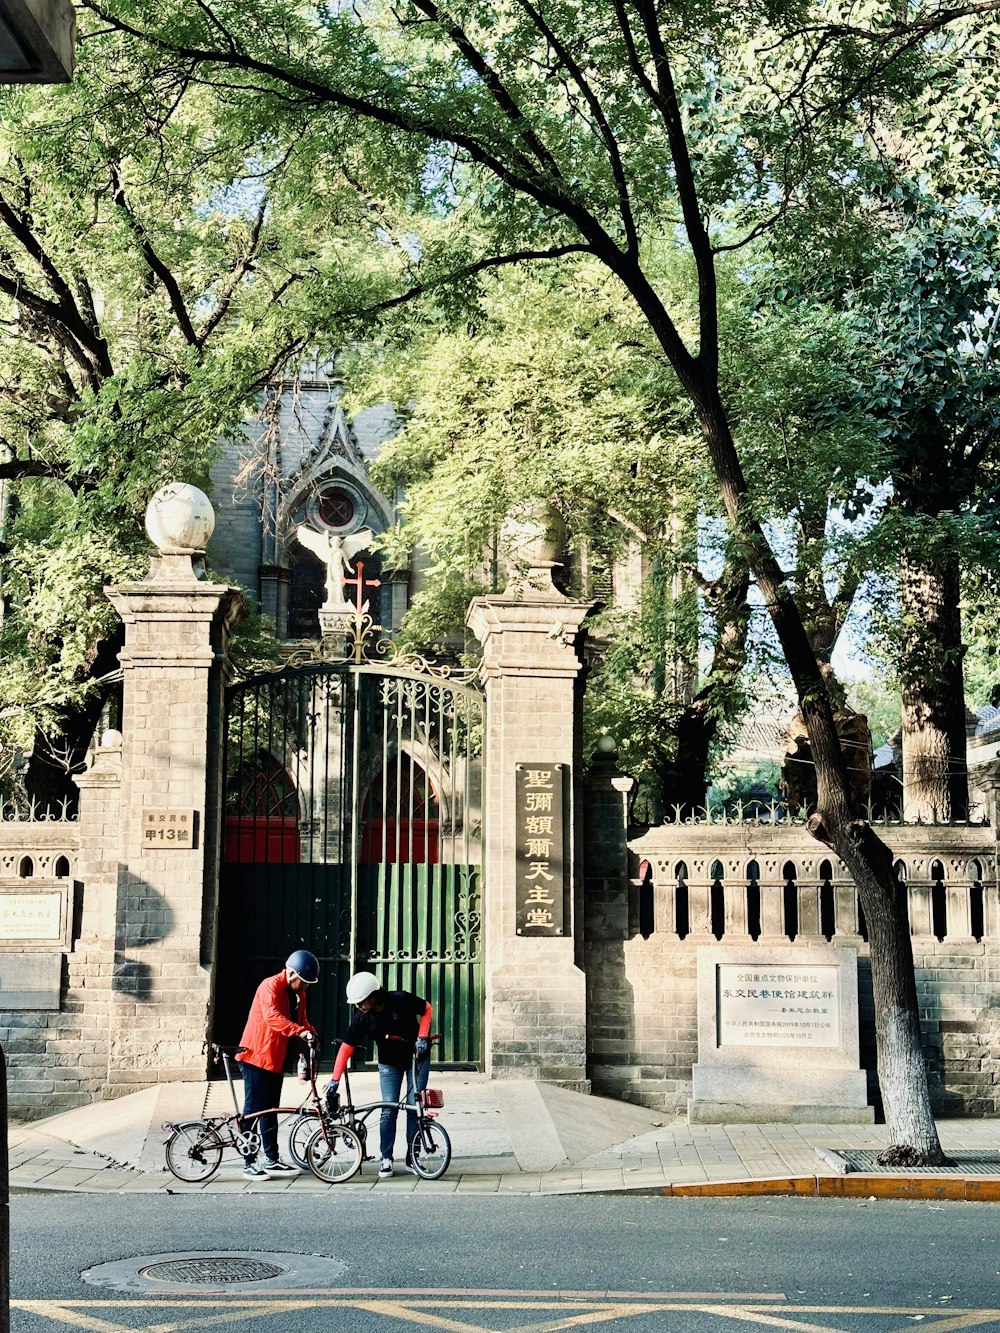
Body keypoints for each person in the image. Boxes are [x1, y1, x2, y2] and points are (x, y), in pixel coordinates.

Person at [327, 970, 432, 1178]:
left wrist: (422, 1036)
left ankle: (414, 1156)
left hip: (416, 1058)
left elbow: (427, 1009)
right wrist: (334, 1079)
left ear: (373, 996)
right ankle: (386, 1158)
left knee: (415, 1107)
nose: (357, 1006)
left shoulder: (400, 999)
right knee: (388, 1108)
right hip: (389, 1063)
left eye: (360, 1001)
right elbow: (347, 1047)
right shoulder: (362, 1018)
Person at [237, 948, 319, 1179]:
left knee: (271, 1110)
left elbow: (302, 1020)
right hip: (256, 1056)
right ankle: (249, 1162)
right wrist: (300, 1033)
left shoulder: (299, 994)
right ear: (291, 974)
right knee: (253, 1111)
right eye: (302, 982)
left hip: (276, 1059)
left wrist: (313, 1033)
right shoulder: (269, 986)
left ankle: (272, 1159)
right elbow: (272, 1017)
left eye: (308, 984)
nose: (305, 988)